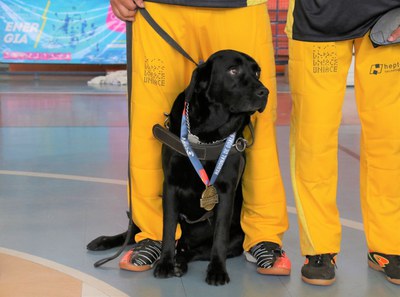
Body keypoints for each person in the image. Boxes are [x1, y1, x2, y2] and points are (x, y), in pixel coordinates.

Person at [110, 0, 292, 275]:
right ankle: (154, 233)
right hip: (157, 6)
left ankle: (263, 233)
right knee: (151, 121)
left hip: (239, 6)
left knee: (256, 116)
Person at [285, 0, 400, 286]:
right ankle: (319, 249)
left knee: (389, 139)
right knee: (313, 138)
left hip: (388, 17)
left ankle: (388, 246)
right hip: (317, 18)